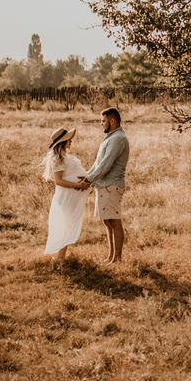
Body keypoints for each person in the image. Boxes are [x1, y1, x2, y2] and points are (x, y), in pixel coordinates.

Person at [83, 107, 129, 264]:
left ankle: (117, 259)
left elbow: (106, 164)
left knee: (114, 221)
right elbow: (98, 163)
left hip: (112, 185)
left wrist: (88, 180)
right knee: (107, 222)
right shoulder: (110, 137)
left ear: (112, 121)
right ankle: (111, 256)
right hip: (103, 185)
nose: (101, 124)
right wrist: (86, 176)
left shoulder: (118, 139)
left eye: (103, 121)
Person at [42, 128, 90, 259]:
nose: (71, 141)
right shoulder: (57, 159)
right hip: (66, 197)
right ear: (63, 142)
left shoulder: (66, 156)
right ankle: (60, 258)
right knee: (66, 226)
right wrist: (78, 185)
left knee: (69, 225)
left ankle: (61, 256)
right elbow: (58, 181)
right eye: (69, 139)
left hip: (71, 196)